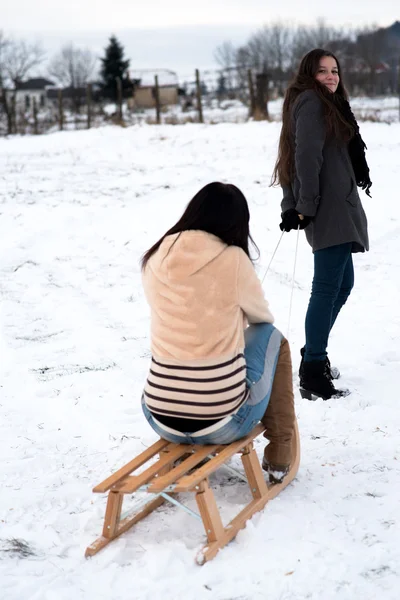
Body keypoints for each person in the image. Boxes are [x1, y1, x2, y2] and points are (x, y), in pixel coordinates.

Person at [140, 182, 295, 483]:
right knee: (275, 339)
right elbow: (261, 318)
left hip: (158, 415)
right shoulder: (233, 258)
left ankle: (186, 428)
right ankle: (281, 453)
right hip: (222, 420)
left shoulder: (156, 255)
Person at [271, 48, 372, 401]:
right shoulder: (313, 103)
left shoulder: (321, 104)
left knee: (343, 284)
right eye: (322, 71)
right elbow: (303, 157)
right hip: (327, 208)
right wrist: (303, 207)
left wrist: (294, 203)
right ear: (308, 75)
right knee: (328, 288)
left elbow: (290, 156)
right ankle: (313, 370)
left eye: (335, 70)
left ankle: (313, 355)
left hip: (336, 205)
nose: (331, 77)